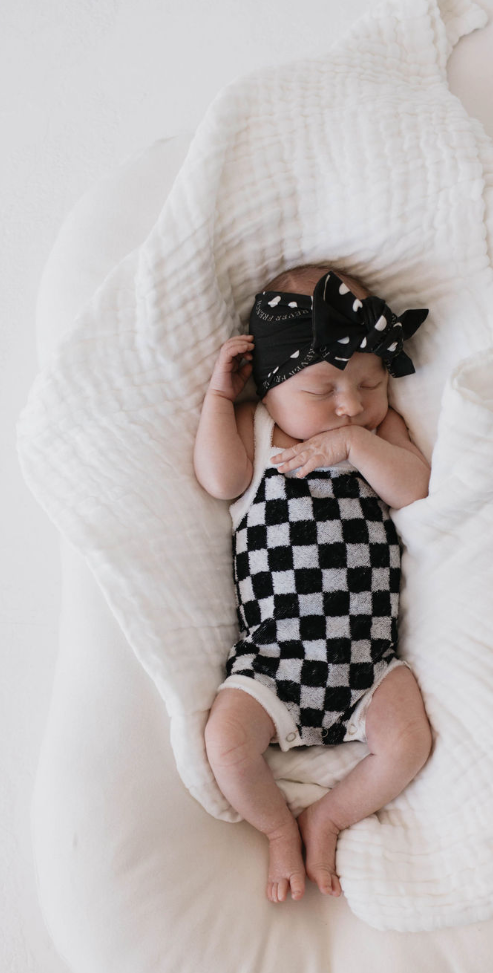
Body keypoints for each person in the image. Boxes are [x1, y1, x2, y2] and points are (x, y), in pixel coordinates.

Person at [194, 264, 434, 904]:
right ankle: (277, 828)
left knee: (408, 743)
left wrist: (354, 444)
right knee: (225, 741)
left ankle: (328, 816)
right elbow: (220, 481)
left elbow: (414, 490)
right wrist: (221, 401)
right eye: (322, 389)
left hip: (370, 667)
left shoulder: (378, 435)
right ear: (269, 391)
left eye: (368, 381)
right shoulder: (260, 432)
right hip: (275, 663)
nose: (350, 403)